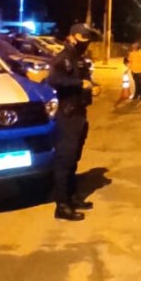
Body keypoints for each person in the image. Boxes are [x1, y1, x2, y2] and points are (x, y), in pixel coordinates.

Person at [47, 23, 96, 221]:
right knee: (65, 160)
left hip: (79, 113)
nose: (86, 42)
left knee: (73, 158)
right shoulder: (63, 57)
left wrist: (92, 86)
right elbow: (53, 80)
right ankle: (62, 205)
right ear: (73, 36)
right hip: (67, 114)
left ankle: (72, 197)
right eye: (83, 38)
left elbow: (85, 79)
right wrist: (79, 84)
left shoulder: (79, 58)